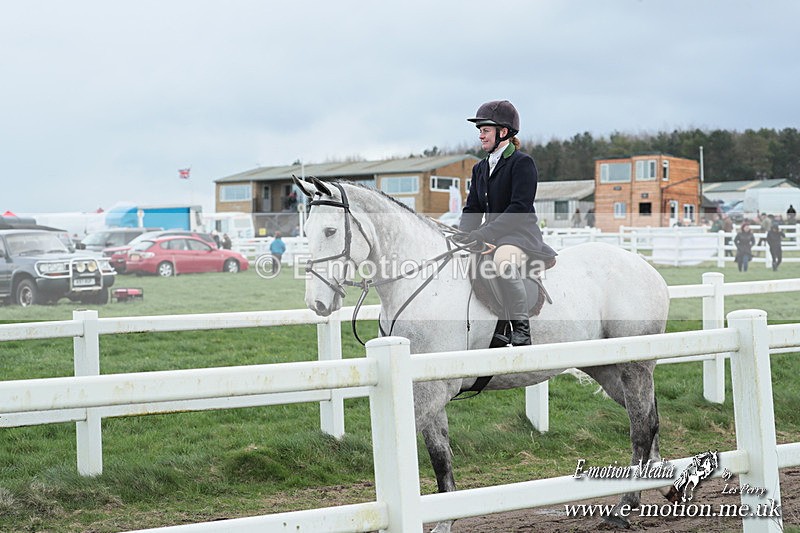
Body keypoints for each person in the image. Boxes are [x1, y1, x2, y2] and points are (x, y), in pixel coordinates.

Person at [456, 100, 557, 347]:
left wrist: (484, 234)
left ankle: (521, 327)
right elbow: (473, 208)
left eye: (485, 130)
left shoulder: (522, 163)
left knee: (503, 262)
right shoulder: (481, 168)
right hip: (492, 235)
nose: (480, 135)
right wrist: (462, 235)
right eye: (479, 130)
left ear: (503, 132)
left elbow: (518, 209)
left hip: (518, 235)